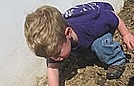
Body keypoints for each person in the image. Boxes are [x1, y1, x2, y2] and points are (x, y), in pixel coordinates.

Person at [24, 2, 134, 86]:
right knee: (83, 50)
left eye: (57, 53)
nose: (55, 58)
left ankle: (116, 60)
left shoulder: (93, 25)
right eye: (50, 56)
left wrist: (126, 34)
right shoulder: (58, 40)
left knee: (99, 44)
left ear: (68, 33)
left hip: (101, 17)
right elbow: (52, 67)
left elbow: (112, 17)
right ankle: (92, 52)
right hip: (82, 36)